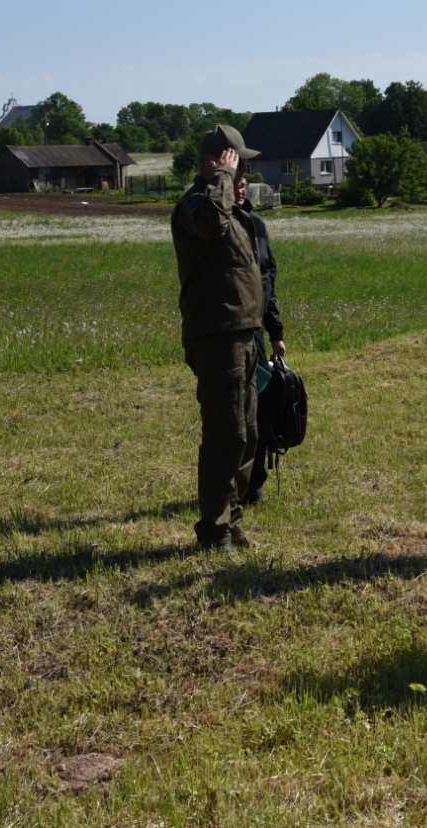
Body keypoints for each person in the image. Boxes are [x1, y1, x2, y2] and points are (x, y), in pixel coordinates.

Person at [171, 125, 265, 549]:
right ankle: (213, 530)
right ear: (213, 163)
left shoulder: (231, 209)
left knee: (246, 435)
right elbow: (211, 222)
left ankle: (232, 521)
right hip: (217, 338)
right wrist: (222, 180)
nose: (243, 170)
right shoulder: (196, 205)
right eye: (235, 162)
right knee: (225, 435)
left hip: (244, 336)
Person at [235, 169, 286, 505]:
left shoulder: (257, 225)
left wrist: (276, 330)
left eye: (243, 184)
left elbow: (268, 278)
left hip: (257, 334)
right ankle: (233, 484)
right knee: (235, 411)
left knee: (261, 407)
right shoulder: (219, 227)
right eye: (233, 183)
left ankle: (255, 483)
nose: (240, 189)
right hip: (230, 334)